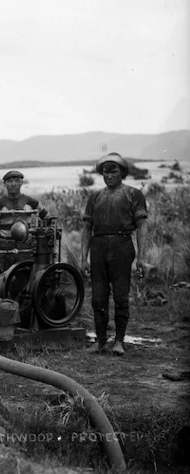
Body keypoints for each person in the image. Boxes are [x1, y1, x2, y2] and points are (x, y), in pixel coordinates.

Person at [81, 152, 148, 356]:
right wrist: (84, 258)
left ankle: (119, 341)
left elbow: (142, 226)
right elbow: (86, 228)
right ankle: (100, 341)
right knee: (98, 299)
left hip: (122, 246)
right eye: (105, 172)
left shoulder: (133, 194)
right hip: (99, 247)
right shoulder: (95, 197)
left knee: (120, 296)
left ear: (122, 173)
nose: (109, 176)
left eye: (114, 171)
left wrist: (141, 257)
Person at [0, 170, 48, 272]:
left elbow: (47, 218)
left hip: (26, 248)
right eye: (10, 181)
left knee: (25, 278)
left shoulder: (31, 201)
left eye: (17, 180)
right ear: (4, 183)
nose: (13, 184)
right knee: (4, 280)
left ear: (21, 183)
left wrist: (35, 234)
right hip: (4, 248)